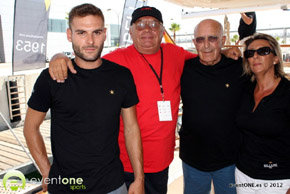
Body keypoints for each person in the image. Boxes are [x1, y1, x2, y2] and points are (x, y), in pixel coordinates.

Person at [48, 6, 240, 194]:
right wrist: (59, 57)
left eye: (153, 24)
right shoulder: (116, 59)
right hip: (126, 162)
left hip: (162, 161)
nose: (147, 29)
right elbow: (86, 61)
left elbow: (205, 55)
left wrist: (224, 51)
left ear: (162, 31)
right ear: (131, 32)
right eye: (140, 25)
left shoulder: (176, 54)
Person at [23, 4, 144, 193]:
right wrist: (46, 172)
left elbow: (131, 128)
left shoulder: (122, 76)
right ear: (69, 35)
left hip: (112, 184)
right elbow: (30, 127)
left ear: (104, 33)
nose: (90, 41)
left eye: (96, 32)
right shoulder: (51, 77)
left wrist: (139, 177)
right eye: (81, 33)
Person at [180, 19, 248, 194]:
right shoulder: (184, 68)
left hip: (230, 160)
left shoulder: (240, 69)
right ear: (194, 43)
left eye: (213, 38)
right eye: (200, 39)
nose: (206, 45)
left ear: (223, 40)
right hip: (193, 159)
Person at [235, 33, 290, 194]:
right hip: (244, 175)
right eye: (250, 53)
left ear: (275, 58)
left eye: (263, 51)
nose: (256, 56)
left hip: (279, 179)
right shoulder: (245, 89)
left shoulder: (287, 93)